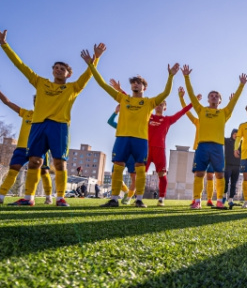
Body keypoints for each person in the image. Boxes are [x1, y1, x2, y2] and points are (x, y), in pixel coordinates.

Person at [0, 30, 104, 207]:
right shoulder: (40, 82)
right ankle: (28, 198)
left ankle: (60, 198)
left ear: (68, 74)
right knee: (34, 161)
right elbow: (21, 66)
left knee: (59, 162)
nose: (58, 70)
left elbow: (88, 76)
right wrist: (4, 45)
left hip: (60, 126)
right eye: (56, 68)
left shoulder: (73, 88)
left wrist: (96, 58)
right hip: (39, 126)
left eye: (62, 69)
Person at [81, 48, 179, 208]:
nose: (135, 84)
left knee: (140, 170)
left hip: (141, 140)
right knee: (117, 168)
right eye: (133, 82)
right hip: (122, 138)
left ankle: (139, 200)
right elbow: (102, 84)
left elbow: (166, 92)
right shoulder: (123, 98)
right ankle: (114, 199)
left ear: (144, 88)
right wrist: (92, 64)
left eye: (138, 83)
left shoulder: (149, 102)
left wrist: (170, 76)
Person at [182, 66, 247, 209]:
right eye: (211, 95)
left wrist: (241, 85)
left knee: (219, 174)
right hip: (202, 146)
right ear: (208, 98)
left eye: (216, 96)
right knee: (199, 173)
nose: (214, 97)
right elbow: (192, 96)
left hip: (218, 147)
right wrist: (186, 77)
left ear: (220, 101)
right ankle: (197, 201)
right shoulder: (201, 110)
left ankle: (219, 201)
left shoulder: (224, 112)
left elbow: (234, 101)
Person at [0, 92, 53, 205]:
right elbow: (7, 102)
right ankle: (1, 196)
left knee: (44, 172)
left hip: (39, 148)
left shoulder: (49, 117)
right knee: (13, 169)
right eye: (36, 101)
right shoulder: (26, 113)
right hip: (22, 148)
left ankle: (48, 197)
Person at [107, 104, 138, 204]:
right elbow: (110, 122)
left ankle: (128, 197)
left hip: (133, 156)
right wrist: (116, 111)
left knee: (134, 178)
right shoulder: (122, 126)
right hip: (121, 153)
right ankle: (125, 191)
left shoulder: (140, 126)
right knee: (114, 176)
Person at [224, 128, 241, 207]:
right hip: (228, 165)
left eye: (237, 135)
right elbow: (220, 137)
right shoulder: (227, 141)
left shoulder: (241, 143)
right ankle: (223, 197)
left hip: (237, 166)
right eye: (234, 134)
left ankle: (231, 199)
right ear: (232, 134)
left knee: (234, 184)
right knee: (226, 181)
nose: (235, 136)